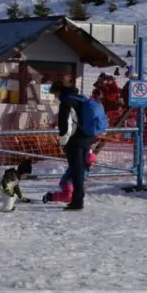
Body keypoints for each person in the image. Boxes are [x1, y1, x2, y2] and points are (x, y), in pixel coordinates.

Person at [50, 79, 96, 211]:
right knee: (80, 170)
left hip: (75, 141)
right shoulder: (81, 98)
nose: (55, 97)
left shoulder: (66, 102)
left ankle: (77, 201)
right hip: (87, 138)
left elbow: (65, 126)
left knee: (76, 171)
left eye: (55, 94)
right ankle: (78, 198)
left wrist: (63, 142)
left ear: (59, 91)